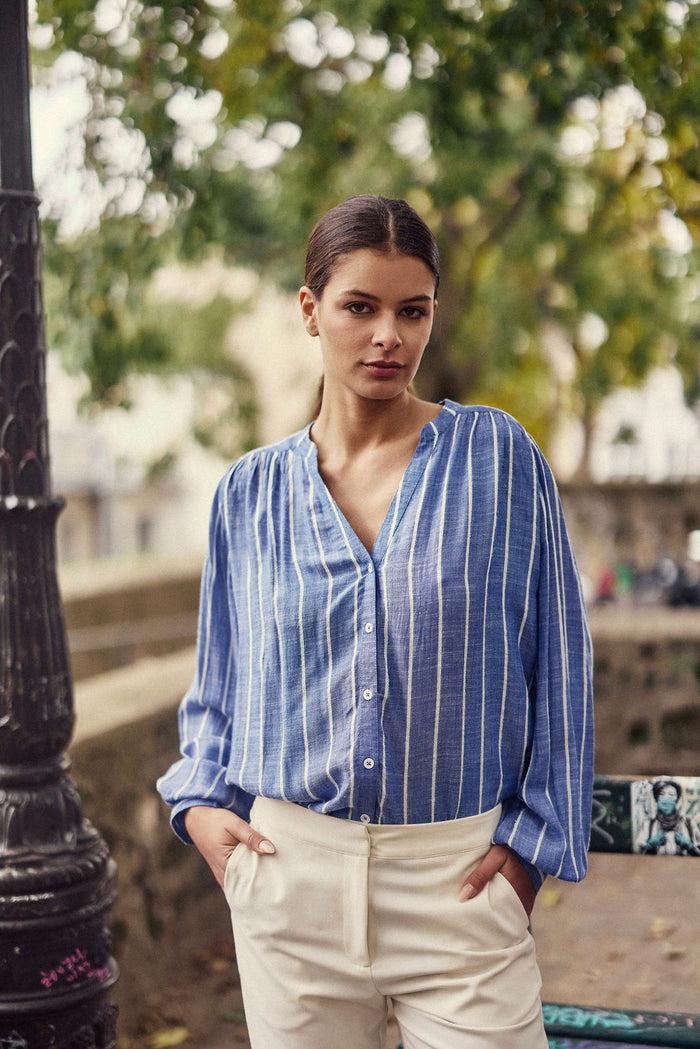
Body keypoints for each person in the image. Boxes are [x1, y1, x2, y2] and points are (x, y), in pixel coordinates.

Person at [156, 194, 594, 1049]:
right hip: (289, 885)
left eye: (412, 310)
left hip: (459, 886)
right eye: (360, 307)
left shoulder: (499, 461)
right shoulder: (249, 495)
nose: (388, 335)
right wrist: (205, 809)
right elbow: (221, 679)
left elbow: (560, 662)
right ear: (311, 311)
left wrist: (531, 849)